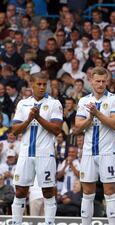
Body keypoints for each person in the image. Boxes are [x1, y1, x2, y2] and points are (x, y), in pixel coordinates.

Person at [11, 71, 63, 225]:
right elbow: (15, 130)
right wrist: (29, 119)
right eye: (38, 84)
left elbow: (57, 129)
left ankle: (49, 223)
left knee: (48, 191)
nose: (42, 87)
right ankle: (15, 222)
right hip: (26, 154)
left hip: (45, 154)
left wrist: (38, 117)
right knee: (20, 190)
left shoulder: (54, 103)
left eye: (44, 84)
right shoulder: (23, 103)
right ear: (31, 85)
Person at [75, 67, 115, 225]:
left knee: (110, 192)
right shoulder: (83, 101)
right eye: (98, 81)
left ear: (107, 81)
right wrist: (89, 119)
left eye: (104, 81)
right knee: (87, 192)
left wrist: (98, 114)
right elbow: (77, 127)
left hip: (107, 153)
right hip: (88, 152)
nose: (101, 84)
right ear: (91, 81)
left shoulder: (114, 99)